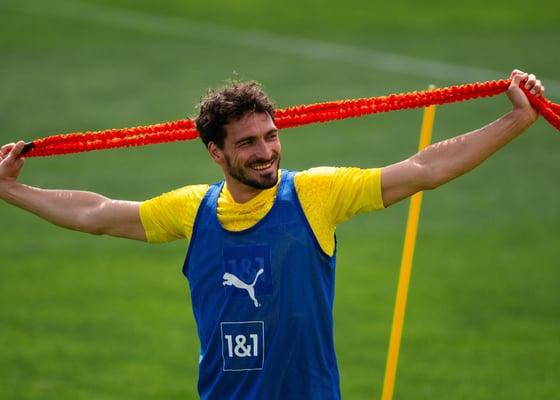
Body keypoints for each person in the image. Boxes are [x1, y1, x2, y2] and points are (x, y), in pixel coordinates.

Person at [0, 69, 544, 399]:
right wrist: (12, 190)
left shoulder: (316, 193)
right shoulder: (193, 210)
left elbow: (424, 168)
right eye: (248, 143)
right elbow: (97, 213)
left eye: (271, 135)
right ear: (216, 153)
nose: (266, 152)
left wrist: (516, 121)